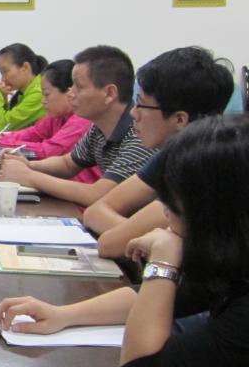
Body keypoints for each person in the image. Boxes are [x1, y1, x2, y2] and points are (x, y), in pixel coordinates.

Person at [0, 115, 249, 367]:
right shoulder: (232, 260)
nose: (165, 214)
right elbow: (176, 296)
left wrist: (164, 260)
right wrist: (65, 314)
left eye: (175, 204)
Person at [83, 47, 233, 258]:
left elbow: (109, 244)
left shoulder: (203, 170)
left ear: (180, 119)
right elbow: (95, 211)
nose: (133, 113)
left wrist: (129, 235)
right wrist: (150, 236)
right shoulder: (168, 156)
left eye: (141, 104)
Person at [0, 45, 154, 207]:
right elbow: (68, 164)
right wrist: (28, 164)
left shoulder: (140, 135)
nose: (70, 93)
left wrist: (29, 176)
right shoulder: (99, 128)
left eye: (78, 86)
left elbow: (99, 195)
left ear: (109, 93)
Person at [0, 59, 100, 184]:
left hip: (80, 187)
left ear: (69, 92)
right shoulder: (57, 116)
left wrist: (0, 141)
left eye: (47, 94)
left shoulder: (81, 120)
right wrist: (2, 139)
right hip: (62, 182)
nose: (43, 101)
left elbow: (49, 151)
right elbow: (34, 133)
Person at [0, 43, 47, 132]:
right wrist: (3, 99)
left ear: (25, 67)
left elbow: (1, 126)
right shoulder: (27, 92)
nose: (2, 79)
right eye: (1, 73)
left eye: (5, 71)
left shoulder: (39, 93)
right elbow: (11, 122)